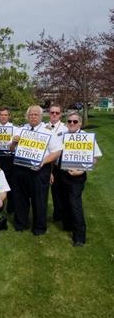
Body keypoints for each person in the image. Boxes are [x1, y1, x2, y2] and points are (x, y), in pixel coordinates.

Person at [9, 105, 62, 235]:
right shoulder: (20, 130)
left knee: (39, 199)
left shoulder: (48, 132)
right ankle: (21, 223)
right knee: (20, 198)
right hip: (21, 168)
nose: (33, 117)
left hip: (40, 170)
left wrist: (43, 162)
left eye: (35, 115)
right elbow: (11, 149)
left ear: (40, 116)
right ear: (27, 116)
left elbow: (57, 151)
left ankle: (39, 227)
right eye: (30, 115)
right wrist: (14, 143)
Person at [57, 111, 102, 246]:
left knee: (75, 204)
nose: (72, 123)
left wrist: (81, 170)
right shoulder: (62, 136)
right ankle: (68, 225)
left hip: (78, 176)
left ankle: (79, 237)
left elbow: (95, 157)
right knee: (64, 201)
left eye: (75, 121)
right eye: (69, 121)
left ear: (80, 124)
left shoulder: (86, 138)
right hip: (62, 173)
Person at [0, 106, 16, 214]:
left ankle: (11, 208)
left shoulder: (15, 129)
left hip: (9, 159)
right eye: (1, 115)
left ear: (9, 116)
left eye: (6, 115)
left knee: (10, 183)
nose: (3, 117)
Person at [46, 104, 68, 222]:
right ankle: (57, 215)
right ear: (49, 113)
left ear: (61, 114)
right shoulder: (44, 128)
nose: (54, 114)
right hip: (49, 165)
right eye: (52, 112)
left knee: (64, 191)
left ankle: (64, 215)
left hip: (62, 165)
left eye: (57, 113)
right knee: (54, 191)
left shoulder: (65, 129)